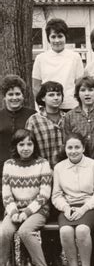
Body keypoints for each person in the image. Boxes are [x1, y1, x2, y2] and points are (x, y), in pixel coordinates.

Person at [52, 133, 94, 266]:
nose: (73, 151)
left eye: (77, 147)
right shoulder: (59, 167)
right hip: (68, 207)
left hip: (90, 206)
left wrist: (84, 208)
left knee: (82, 230)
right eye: (70, 147)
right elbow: (56, 195)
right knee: (65, 231)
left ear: (83, 148)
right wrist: (66, 208)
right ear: (65, 148)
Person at [0, 129, 52, 266]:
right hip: (14, 210)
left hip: (38, 209)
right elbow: (6, 193)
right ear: (15, 146)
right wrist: (14, 212)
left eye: (29, 144)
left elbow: (44, 194)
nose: (25, 148)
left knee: (25, 231)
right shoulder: (9, 165)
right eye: (21, 144)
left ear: (34, 146)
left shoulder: (42, 163)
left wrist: (27, 213)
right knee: (4, 231)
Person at [26, 81, 66, 266]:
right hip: (43, 175)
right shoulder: (35, 120)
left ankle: (57, 255)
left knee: (59, 213)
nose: (56, 98)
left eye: (58, 94)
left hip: (64, 176)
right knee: (45, 214)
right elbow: (29, 148)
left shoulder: (67, 118)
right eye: (51, 94)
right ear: (42, 98)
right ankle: (47, 257)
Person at [0, 75, 36, 219]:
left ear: (23, 95)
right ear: (4, 96)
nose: (14, 97)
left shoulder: (32, 115)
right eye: (10, 94)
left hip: (26, 168)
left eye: (17, 94)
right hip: (2, 167)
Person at [32, 18, 84, 111]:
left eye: (60, 36)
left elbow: (79, 84)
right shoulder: (40, 58)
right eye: (53, 37)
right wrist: (42, 105)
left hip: (71, 106)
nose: (57, 40)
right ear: (48, 38)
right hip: (48, 108)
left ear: (65, 37)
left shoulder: (75, 57)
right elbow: (36, 87)